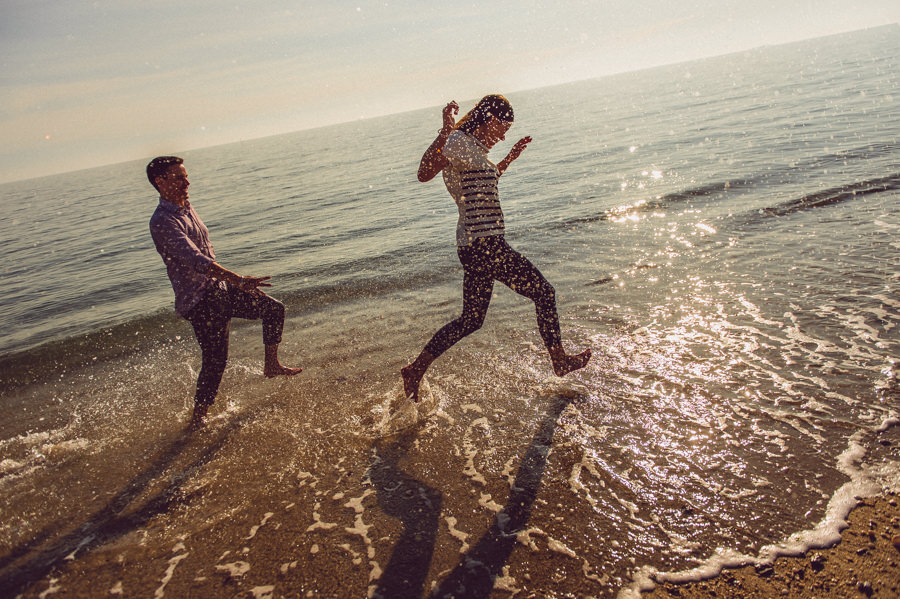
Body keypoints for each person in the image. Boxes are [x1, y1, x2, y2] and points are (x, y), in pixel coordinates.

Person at [402, 95, 591, 401]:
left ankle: (415, 369)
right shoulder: (458, 142)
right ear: (489, 119)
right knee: (544, 293)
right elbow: (424, 173)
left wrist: (508, 160)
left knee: (471, 320)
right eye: (502, 128)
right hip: (484, 244)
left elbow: (481, 183)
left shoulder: (474, 151)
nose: (503, 136)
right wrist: (446, 129)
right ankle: (559, 361)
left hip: (478, 245)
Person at [147, 156, 301, 428]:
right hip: (199, 300)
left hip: (219, 288)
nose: (187, 182)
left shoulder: (186, 207)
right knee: (216, 361)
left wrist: (231, 283)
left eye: (186, 176)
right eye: (179, 178)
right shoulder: (162, 221)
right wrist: (238, 279)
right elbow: (195, 260)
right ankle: (198, 420)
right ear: (160, 182)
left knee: (273, 309)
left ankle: (272, 366)